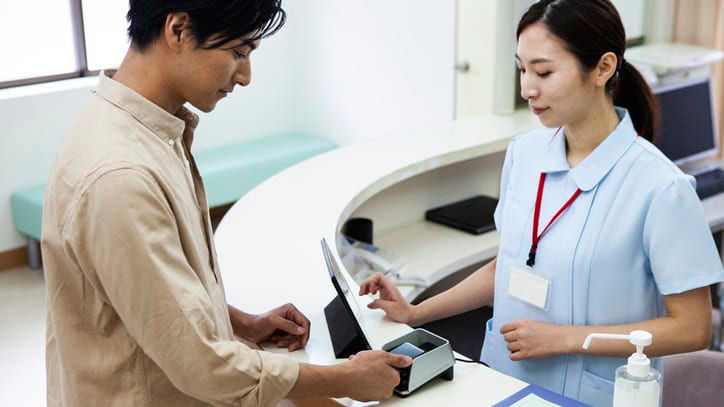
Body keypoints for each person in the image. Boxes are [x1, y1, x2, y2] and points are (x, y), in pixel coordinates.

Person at [42, 1, 411, 406]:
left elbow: (149, 296)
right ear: (179, 30)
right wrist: (342, 379)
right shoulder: (119, 175)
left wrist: (237, 323)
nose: (246, 76)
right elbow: (201, 365)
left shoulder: (144, 132)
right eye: (238, 53)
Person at [358, 0, 724, 405]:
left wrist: (564, 339)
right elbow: (509, 267)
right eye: (522, 69)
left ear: (602, 68)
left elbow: (692, 328)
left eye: (544, 71)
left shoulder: (661, 187)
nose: (527, 88)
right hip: (504, 379)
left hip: (594, 393)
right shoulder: (524, 154)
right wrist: (415, 312)